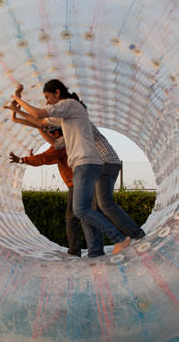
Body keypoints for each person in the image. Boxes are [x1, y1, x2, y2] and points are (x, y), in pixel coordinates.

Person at [9, 80, 130, 257]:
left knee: (80, 211)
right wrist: (16, 113)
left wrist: (16, 98)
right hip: (86, 164)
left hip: (86, 163)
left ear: (57, 93)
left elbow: (38, 116)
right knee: (84, 212)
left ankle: (119, 239)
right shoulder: (66, 123)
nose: (47, 102)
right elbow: (40, 122)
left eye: (48, 97)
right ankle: (96, 251)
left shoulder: (69, 106)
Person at [8, 125, 82, 257]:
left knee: (71, 217)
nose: (47, 137)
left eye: (48, 134)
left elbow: (45, 157)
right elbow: (50, 159)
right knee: (86, 214)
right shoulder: (66, 143)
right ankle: (94, 247)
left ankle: (75, 251)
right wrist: (31, 159)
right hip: (82, 181)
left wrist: (22, 160)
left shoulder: (60, 143)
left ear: (56, 133)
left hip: (76, 184)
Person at [90, 126, 146, 241]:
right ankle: (96, 248)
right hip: (103, 166)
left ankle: (136, 234)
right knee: (94, 209)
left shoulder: (81, 121)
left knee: (105, 203)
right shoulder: (74, 127)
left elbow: (59, 142)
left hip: (106, 163)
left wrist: (43, 125)